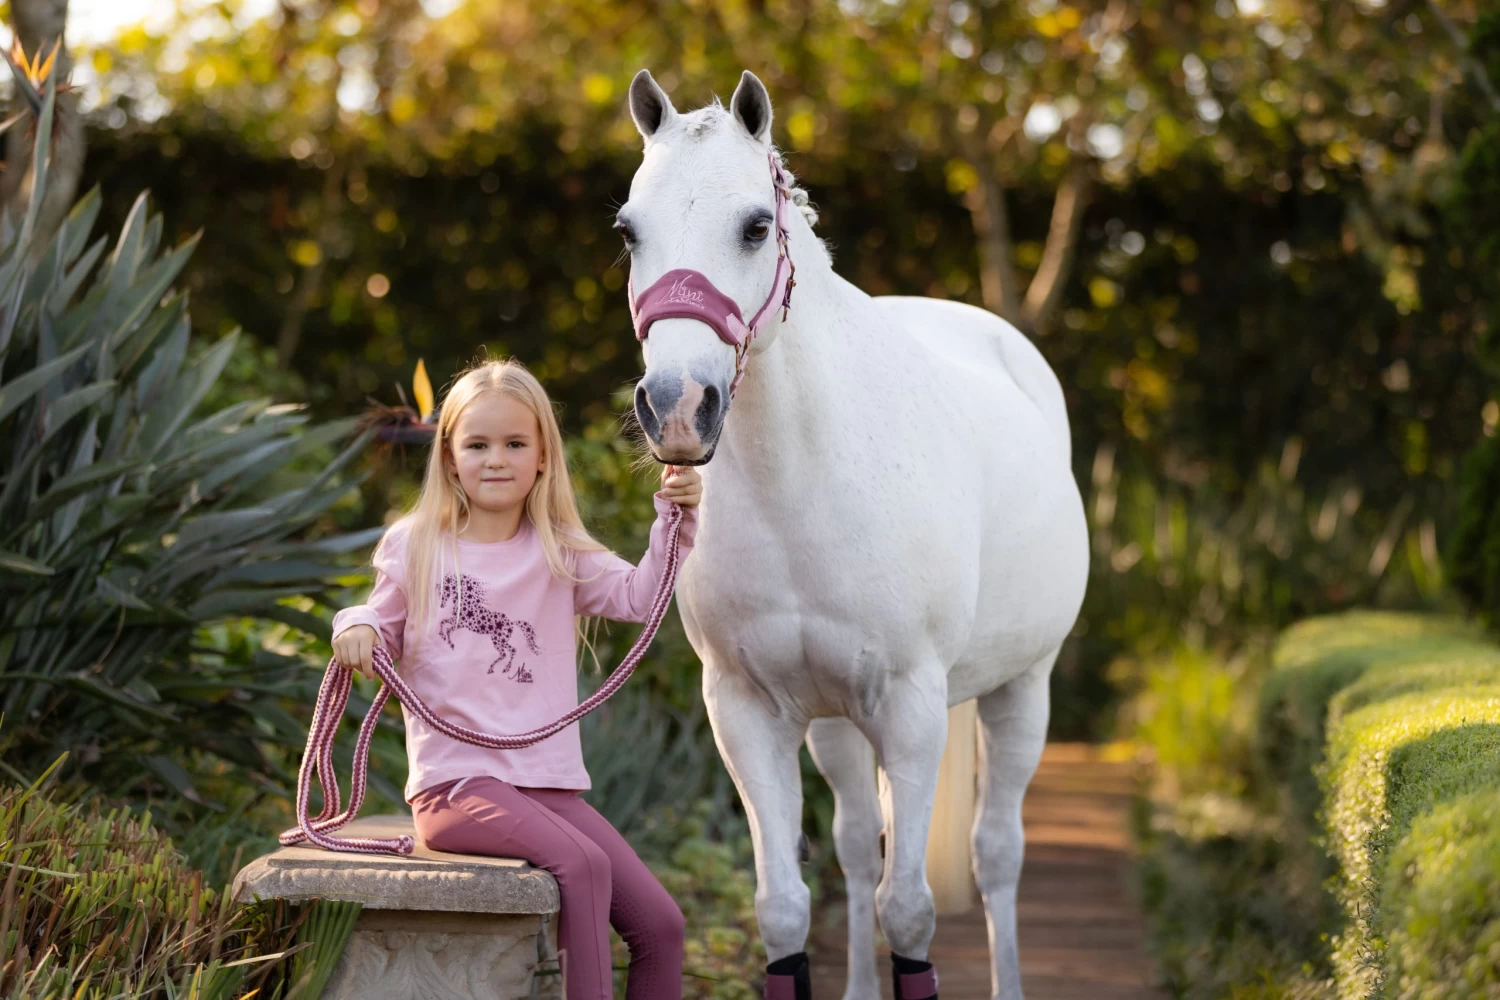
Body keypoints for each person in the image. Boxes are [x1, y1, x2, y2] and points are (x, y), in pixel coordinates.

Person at [330, 358, 700, 999]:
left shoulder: (559, 549)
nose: (495, 459)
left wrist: (673, 518)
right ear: (449, 459)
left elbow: (641, 596)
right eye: (477, 444)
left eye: (513, 444)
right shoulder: (416, 544)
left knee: (661, 928)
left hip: (544, 785)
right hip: (456, 787)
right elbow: (375, 621)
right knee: (582, 866)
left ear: (542, 460)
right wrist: (353, 624)